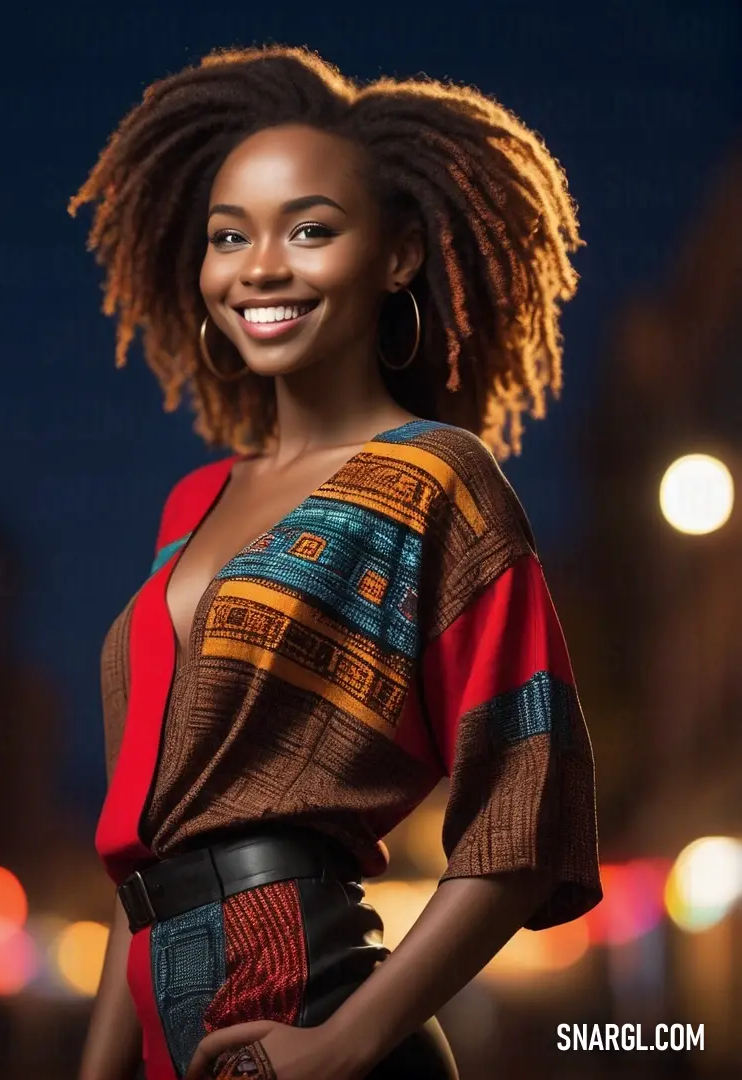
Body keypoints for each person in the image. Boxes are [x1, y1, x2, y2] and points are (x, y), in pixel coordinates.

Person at [68, 45, 602, 1080]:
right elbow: (145, 853)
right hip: (167, 1029)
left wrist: (346, 1044)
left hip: (311, 1010)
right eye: (231, 236)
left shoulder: (438, 477)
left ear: (397, 254)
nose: (259, 267)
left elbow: (526, 812)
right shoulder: (191, 505)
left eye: (310, 229)